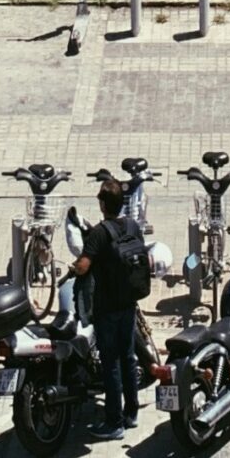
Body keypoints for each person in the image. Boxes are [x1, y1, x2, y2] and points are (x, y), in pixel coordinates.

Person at [67, 177, 151, 438]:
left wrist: (73, 268)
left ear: (104, 204)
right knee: (128, 357)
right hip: (128, 304)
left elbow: (84, 265)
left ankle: (114, 422)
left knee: (110, 362)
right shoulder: (132, 225)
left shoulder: (99, 233)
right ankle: (132, 413)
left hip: (106, 308)